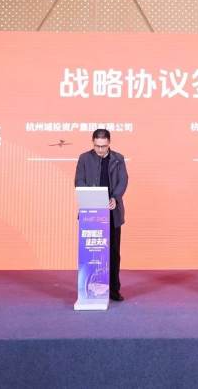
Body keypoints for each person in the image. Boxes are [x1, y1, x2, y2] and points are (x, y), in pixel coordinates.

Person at [74, 129, 129, 301]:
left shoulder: (118, 159)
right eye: (97, 146)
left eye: (103, 146)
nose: (100, 150)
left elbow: (123, 181)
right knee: (91, 252)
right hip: (91, 212)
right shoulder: (84, 158)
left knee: (113, 253)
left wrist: (115, 198)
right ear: (92, 142)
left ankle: (114, 290)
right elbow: (79, 181)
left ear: (109, 143)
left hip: (112, 212)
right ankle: (88, 288)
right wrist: (92, 195)